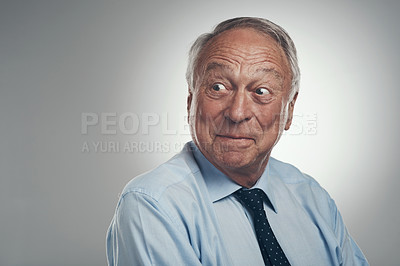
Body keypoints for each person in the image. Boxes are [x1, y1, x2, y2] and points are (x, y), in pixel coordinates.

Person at [106, 17, 369, 266]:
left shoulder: (312, 198)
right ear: (190, 101)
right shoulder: (153, 204)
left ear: (289, 109)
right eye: (218, 87)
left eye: (261, 91)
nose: (237, 112)